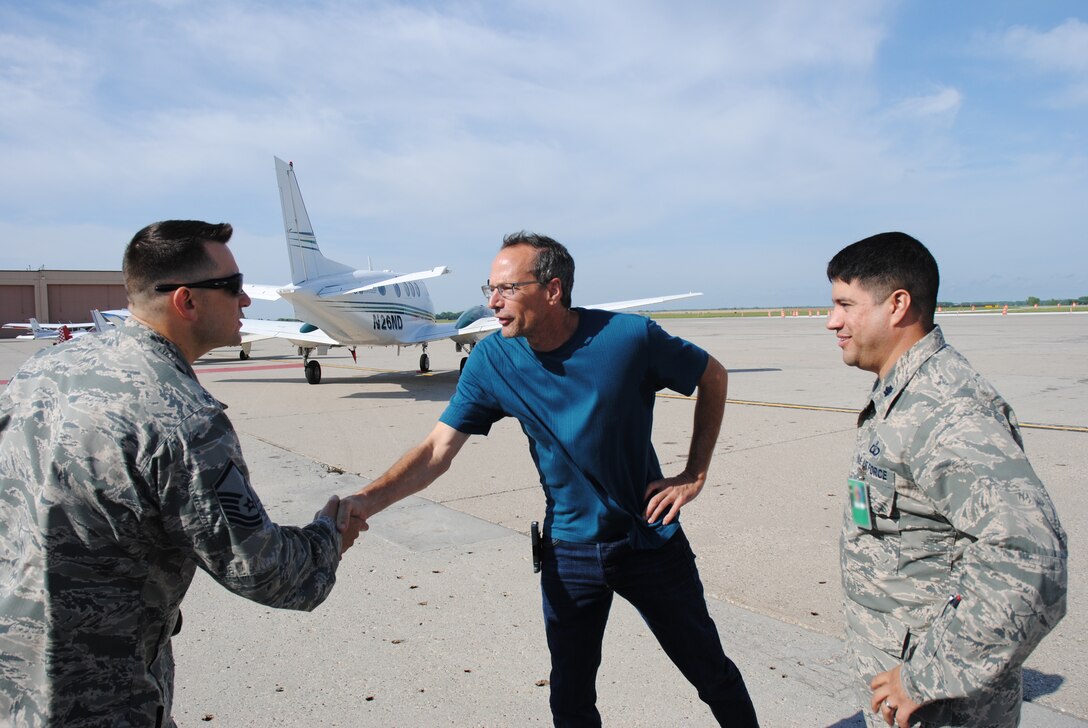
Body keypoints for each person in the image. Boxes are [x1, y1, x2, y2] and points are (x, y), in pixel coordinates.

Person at [337, 232, 759, 727]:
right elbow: (435, 451)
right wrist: (366, 500)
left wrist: (695, 473)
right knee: (570, 699)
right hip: (569, 551)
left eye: (506, 289)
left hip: (649, 541)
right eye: (488, 288)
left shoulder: (629, 339)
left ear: (553, 290)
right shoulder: (493, 360)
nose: (492, 302)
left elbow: (713, 376)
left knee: (712, 674)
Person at [0, 220, 347, 727]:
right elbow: (267, 574)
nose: (246, 300)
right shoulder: (182, 418)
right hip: (100, 698)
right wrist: (329, 535)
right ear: (186, 301)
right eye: (232, 286)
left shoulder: (41, 371)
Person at [826, 232, 1067, 727]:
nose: (833, 322)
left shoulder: (946, 408)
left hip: (942, 709)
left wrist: (924, 677)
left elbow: (1029, 558)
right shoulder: (903, 393)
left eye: (845, 305)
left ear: (897, 305)